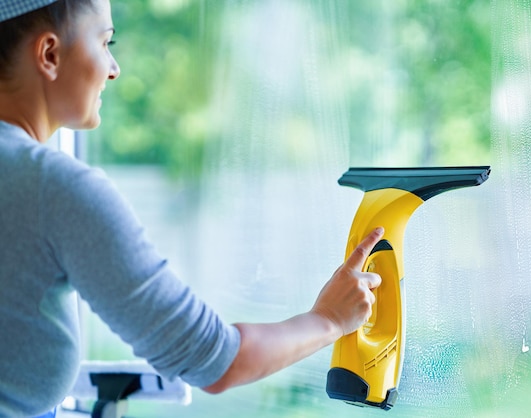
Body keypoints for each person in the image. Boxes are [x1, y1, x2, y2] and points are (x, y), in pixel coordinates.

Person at [0, 0, 384, 416]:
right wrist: (328, 319)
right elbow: (215, 361)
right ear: (50, 54)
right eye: (105, 42)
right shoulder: (55, 190)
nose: (114, 69)